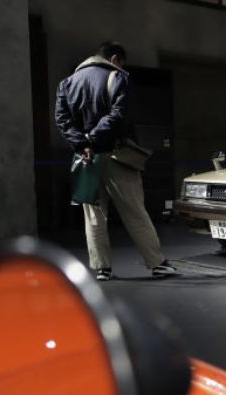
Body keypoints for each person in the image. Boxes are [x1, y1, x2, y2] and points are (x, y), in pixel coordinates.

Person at [55, 41, 175, 281]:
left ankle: (102, 268)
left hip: (85, 158)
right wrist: (93, 138)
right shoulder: (117, 78)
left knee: (94, 217)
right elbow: (118, 116)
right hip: (115, 155)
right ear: (115, 59)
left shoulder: (66, 84)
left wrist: (83, 144)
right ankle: (157, 263)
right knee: (134, 211)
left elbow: (62, 120)